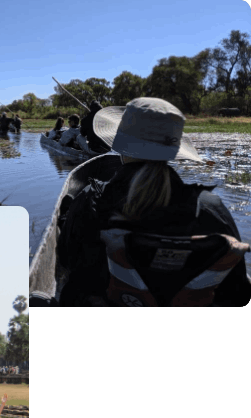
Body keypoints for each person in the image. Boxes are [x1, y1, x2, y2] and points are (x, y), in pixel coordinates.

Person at [58, 97, 251, 307]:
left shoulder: (91, 200)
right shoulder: (211, 209)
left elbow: (67, 262)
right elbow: (238, 295)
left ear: (122, 146)